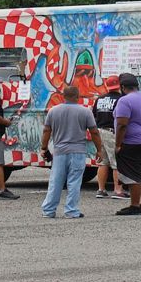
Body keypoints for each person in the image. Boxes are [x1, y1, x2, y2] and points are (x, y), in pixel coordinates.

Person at [40, 85, 106, 219]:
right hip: (78, 151)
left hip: (59, 152)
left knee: (56, 181)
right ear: (78, 96)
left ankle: (49, 210)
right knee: (74, 181)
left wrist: (44, 148)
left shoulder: (53, 111)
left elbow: (47, 130)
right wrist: (99, 150)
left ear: (63, 96)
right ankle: (71, 211)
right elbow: (94, 132)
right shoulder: (85, 112)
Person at [113, 73, 141, 216]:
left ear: (122, 87)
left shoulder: (124, 101)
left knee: (134, 174)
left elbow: (121, 124)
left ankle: (134, 205)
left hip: (132, 142)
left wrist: (118, 144)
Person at [91, 75, 127, 199]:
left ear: (107, 86)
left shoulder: (100, 99)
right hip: (112, 132)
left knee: (103, 162)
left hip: (100, 132)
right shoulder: (121, 100)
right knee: (117, 162)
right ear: (119, 86)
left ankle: (101, 189)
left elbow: (94, 115)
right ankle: (118, 190)